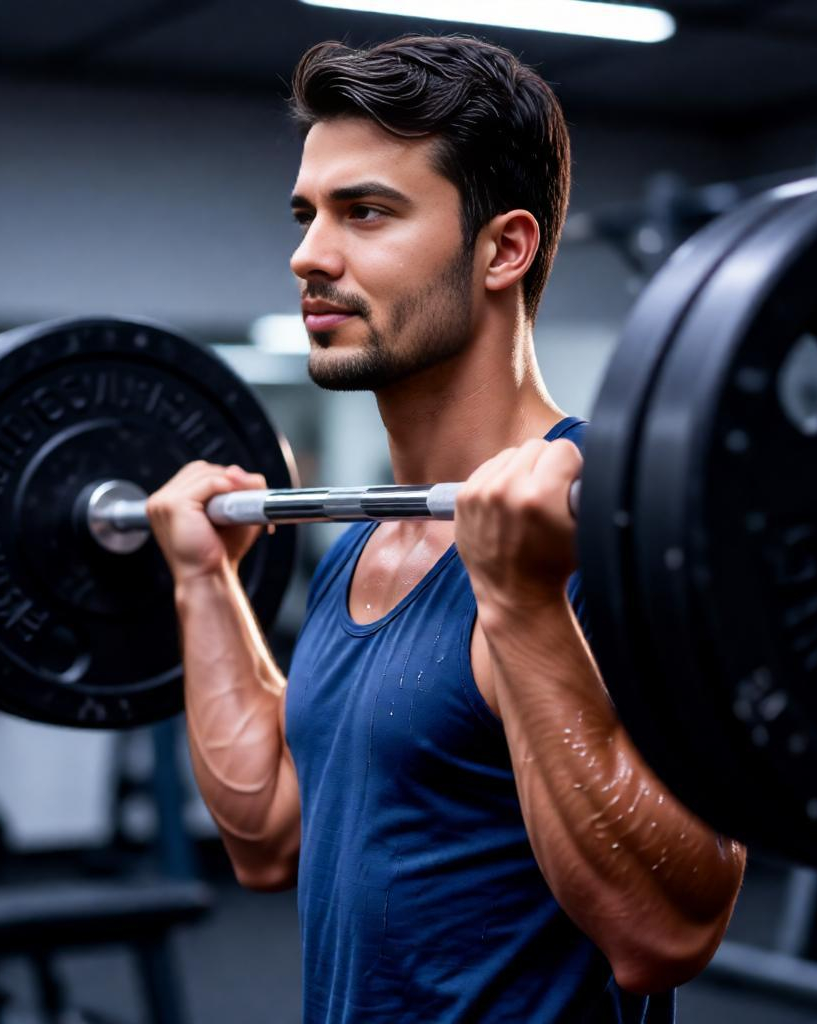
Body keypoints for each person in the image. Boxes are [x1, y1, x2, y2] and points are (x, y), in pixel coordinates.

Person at [147, 34, 745, 1023]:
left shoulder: (612, 530)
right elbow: (268, 838)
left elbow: (664, 933)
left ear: (503, 248)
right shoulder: (359, 546)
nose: (307, 254)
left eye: (365, 212)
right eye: (305, 216)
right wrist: (202, 583)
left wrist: (521, 601)